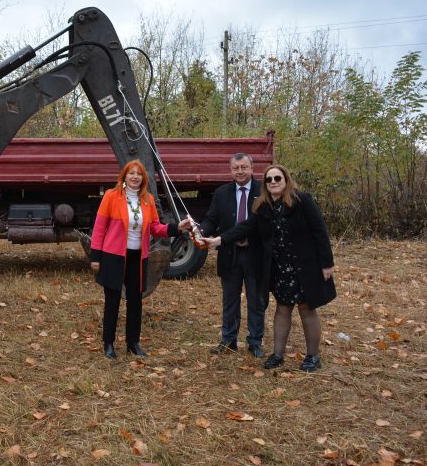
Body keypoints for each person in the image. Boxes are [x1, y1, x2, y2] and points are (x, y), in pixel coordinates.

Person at [202, 164, 336, 372]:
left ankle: (312, 357)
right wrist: (219, 240)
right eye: (269, 180)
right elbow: (245, 227)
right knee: (282, 308)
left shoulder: (302, 200)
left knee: (306, 308)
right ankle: (277, 354)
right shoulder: (264, 207)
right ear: (265, 184)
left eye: (277, 178)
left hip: (305, 267)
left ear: (286, 180)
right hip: (280, 268)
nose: (273, 182)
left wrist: (327, 263)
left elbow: (320, 232)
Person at [90, 160, 192, 359]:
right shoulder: (111, 197)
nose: (135, 177)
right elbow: (99, 228)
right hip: (114, 256)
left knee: (135, 302)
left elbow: (156, 228)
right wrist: (96, 257)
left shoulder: (148, 200)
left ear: (143, 179)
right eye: (131, 173)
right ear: (124, 176)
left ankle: (133, 343)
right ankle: (108, 343)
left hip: (138, 257)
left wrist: (176, 228)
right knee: (112, 301)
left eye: (139, 174)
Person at [199, 153, 267, 358]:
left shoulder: (264, 191)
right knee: (230, 300)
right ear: (231, 170)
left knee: (256, 300)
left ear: (252, 168)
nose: (240, 171)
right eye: (236, 168)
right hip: (230, 254)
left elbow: (258, 223)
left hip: (256, 254)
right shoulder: (221, 193)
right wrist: (201, 231)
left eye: (244, 167)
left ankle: (255, 342)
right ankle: (228, 340)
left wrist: (221, 238)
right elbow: (211, 219)